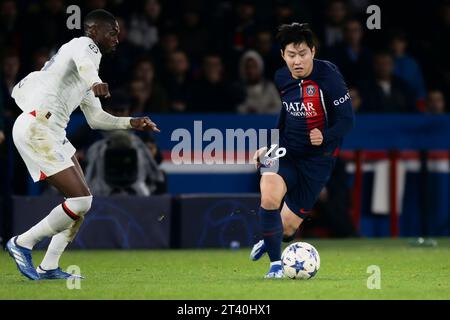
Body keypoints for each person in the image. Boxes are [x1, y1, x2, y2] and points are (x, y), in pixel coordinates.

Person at [5, 9, 159, 281]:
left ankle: (49, 266)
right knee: (81, 200)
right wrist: (96, 82)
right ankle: (22, 243)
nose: (117, 39)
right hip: (38, 127)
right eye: (112, 32)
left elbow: (97, 119)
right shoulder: (82, 46)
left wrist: (131, 122)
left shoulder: (84, 69)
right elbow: (87, 65)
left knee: (80, 202)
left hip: (51, 130)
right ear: (93, 31)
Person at [249, 23, 354, 278]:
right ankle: (275, 266)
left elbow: (347, 120)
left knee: (286, 230)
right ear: (283, 55)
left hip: (318, 160)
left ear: (313, 52)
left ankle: (270, 237)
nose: (298, 61)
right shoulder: (281, 77)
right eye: (291, 55)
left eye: (303, 53)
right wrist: (270, 146)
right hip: (286, 149)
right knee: (270, 197)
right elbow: (285, 113)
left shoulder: (329, 76)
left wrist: (325, 135)